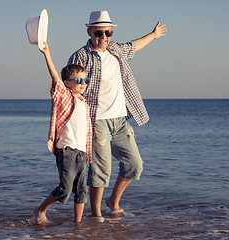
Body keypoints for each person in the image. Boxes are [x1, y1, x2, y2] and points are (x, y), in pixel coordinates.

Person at [67, 11, 167, 220]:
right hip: (97, 121)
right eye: (99, 32)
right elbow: (69, 87)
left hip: (120, 120)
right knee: (101, 171)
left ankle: (113, 201)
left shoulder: (116, 50)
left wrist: (153, 35)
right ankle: (96, 215)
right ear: (90, 31)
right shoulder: (80, 56)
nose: (104, 37)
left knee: (134, 164)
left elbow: (134, 46)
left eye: (108, 32)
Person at [33, 41, 92, 224]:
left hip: (81, 152)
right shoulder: (64, 96)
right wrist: (47, 54)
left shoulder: (84, 103)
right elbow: (55, 78)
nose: (83, 84)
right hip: (66, 150)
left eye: (85, 80)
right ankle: (41, 209)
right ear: (67, 83)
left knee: (82, 190)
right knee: (65, 188)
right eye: (78, 81)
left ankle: (77, 224)